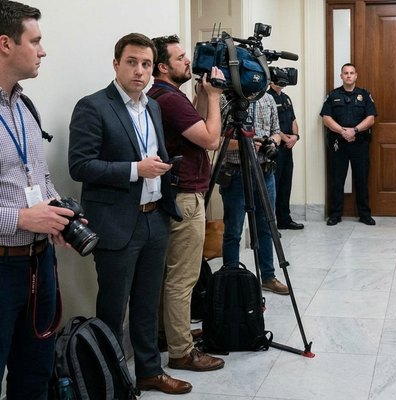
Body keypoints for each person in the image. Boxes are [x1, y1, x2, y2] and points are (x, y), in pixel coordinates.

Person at [68, 33, 191, 395]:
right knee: (113, 306)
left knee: (147, 303)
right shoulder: (93, 106)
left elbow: (153, 156)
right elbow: (80, 165)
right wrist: (136, 169)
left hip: (155, 218)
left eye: (147, 64)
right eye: (132, 62)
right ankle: (112, 381)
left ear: (155, 69)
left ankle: (150, 371)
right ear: (116, 64)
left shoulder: (152, 106)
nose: (139, 71)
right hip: (117, 222)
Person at [0, 0, 78, 400]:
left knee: (35, 373)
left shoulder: (25, 106)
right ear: (5, 44)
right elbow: (18, 210)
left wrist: (54, 214)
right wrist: (20, 218)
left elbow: (39, 176)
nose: (43, 50)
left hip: (38, 262)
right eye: (36, 40)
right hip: (2, 266)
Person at [147, 35, 224, 373]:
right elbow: (209, 139)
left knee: (170, 274)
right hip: (185, 195)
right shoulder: (169, 99)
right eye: (180, 58)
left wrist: (202, 95)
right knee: (183, 277)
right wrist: (216, 98)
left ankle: (170, 334)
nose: (188, 62)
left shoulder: (163, 96)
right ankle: (182, 351)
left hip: (170, 192)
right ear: (163, 67)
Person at [219, 92, 289, 295]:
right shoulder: (226, 99)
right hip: (235, 171)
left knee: (267, 226)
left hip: (265, 172)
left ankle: (268, 276)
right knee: (233, 231)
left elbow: (277, 131)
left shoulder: (267, 99)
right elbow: (217, 138)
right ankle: (231, 281)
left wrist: (272, 142)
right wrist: (246, 144)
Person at [320, 63, 377, 226]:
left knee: (362, 179)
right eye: (346, 73)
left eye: (352, 73)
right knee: (337, 179)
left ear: (356, 76)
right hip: (339, 143)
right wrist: (343, 132)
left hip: (360, 142)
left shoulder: (365, 95)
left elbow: (371, 118)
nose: (349, 75)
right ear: (341, 76)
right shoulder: (333, 95)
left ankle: (365, 214)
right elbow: (326, 118)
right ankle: (335, 214)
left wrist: (355, 130)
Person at [266, 80, 303, 230]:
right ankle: (271, 223)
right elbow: (271, 124)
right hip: (275, 147)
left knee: (286, 184)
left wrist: (295, 136)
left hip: (288, 147)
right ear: (271, 81)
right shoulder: (267, 98)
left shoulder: (286, 98)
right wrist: (284, 138)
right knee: (274, 184)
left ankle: (284, 219)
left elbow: (293, 119)